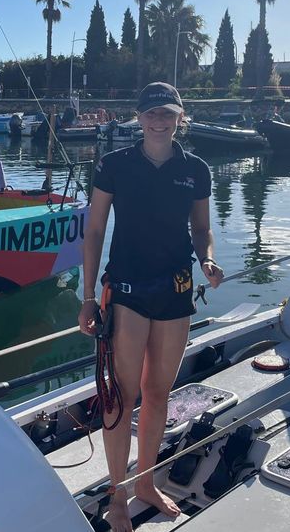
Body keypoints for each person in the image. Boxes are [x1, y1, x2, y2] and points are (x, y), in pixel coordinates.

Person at [79, 81, 224, 532]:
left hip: (176, 289)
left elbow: (201, 228)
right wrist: (87, 297)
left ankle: (144, 483)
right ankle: (117, 494)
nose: (159, 122)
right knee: (121, 395)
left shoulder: (196, 169)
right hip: (127, 290)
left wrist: (209, 259)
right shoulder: (114, 165)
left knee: (158, 392)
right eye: (151, 114)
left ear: (180, 118)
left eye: (167, 114)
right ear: (138, 119)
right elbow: (96, 231)